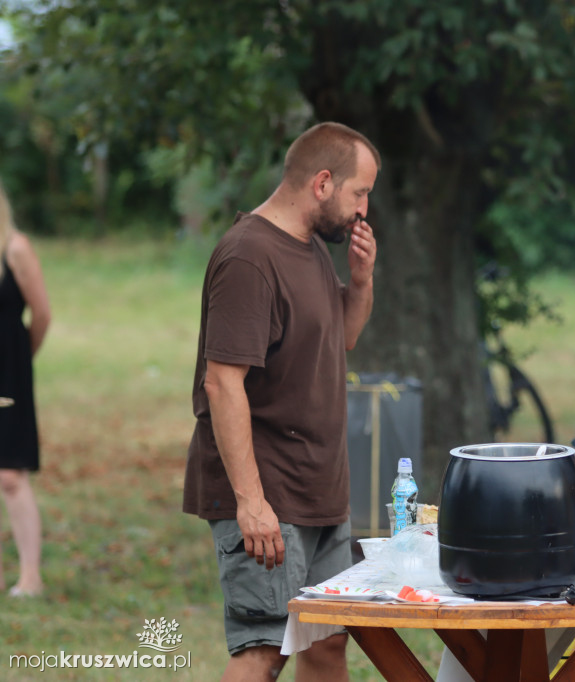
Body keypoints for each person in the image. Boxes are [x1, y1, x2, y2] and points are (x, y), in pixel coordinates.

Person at [182, 122, 379, 682]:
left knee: (325, 646)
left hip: (319, 491)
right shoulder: (249, 257)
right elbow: (222, 382)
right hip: (267, 497)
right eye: (358, 192)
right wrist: (251, 503)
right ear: (322, 183)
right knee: (264, 651)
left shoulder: (310, 248)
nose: (363, 210)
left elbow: (337, 339)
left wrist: (360, 284)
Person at [0, 180, 51, 598]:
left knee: (10, 476)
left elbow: (42, 314)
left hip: (8, 372)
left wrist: (19, 362)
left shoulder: (15, 248)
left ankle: (30, 576)